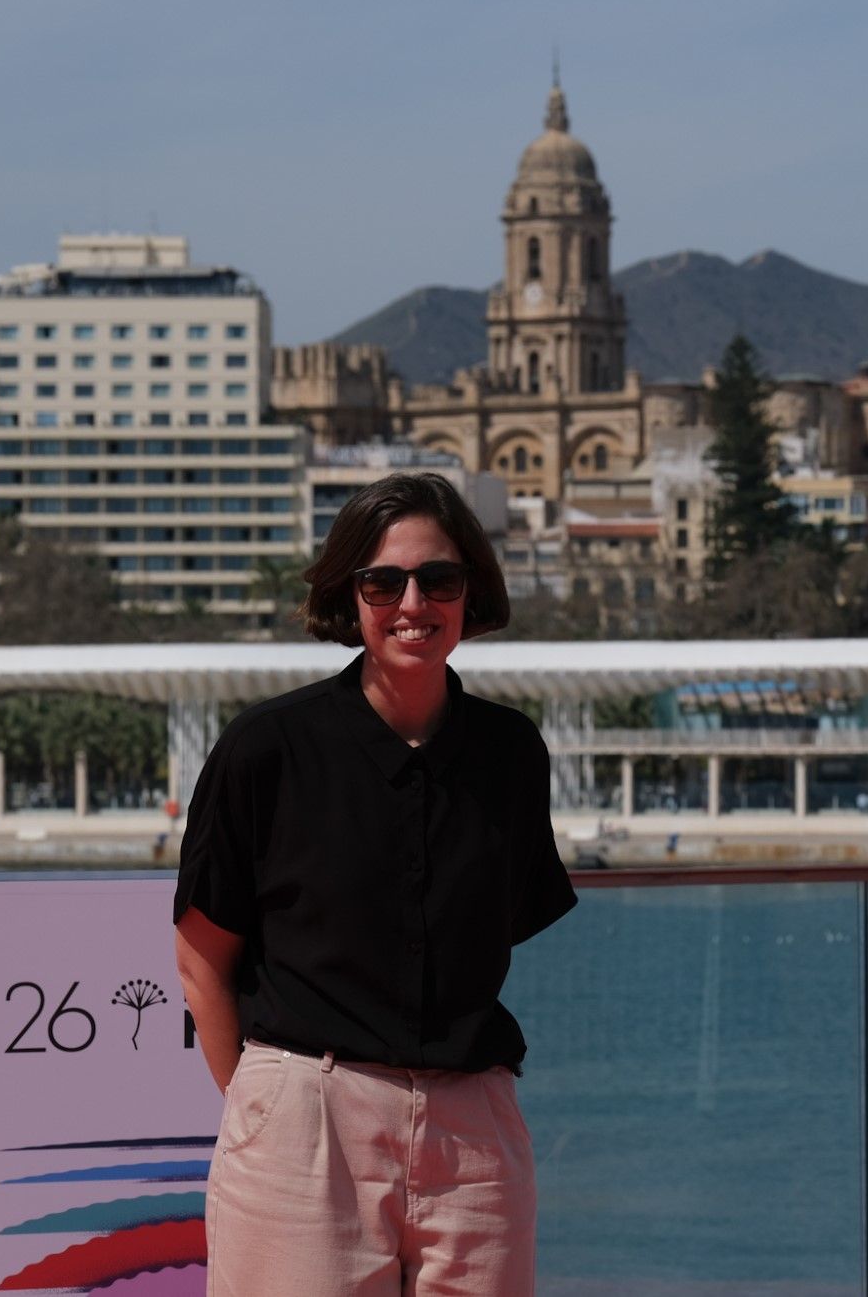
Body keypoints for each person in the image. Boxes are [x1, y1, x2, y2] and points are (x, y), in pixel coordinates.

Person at [174, 472, 577, 1296]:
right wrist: (266, 1106)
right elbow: (201, 958)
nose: (412, 602)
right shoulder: (267, 749)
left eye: (439, 579)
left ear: (471, 592)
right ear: (349, 594)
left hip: (476, 1133)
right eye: (382, 581)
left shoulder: (511, 753)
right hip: (305, 1117)